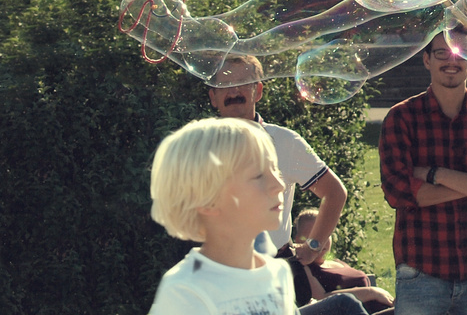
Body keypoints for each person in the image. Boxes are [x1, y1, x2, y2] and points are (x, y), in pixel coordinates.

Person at [379, 33, 467, 315]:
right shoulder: (401, 118)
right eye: (441, 53)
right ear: (426, 60)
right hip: (420, 272)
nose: (451, 61)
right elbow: (399, 193)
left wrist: (435, 174)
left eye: (459, 53)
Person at [147, 116, 296, 315]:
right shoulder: (185, 291)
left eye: (275, 170)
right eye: (258, 175)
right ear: (208, 201)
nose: (280, 185)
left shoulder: (279, 274)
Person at [208, 53, 349, 258]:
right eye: (226, 84)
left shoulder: (285, 142)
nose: (234, 92)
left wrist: (313, 246)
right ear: (213, 97)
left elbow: (335, 192)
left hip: (273, 272)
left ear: (258, 91)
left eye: (243, 83)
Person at [279, 208, 395, 312]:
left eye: (324, 234)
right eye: (313, 236)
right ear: (298, 240)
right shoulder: (303, 266)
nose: (321, 241)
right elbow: (321, 299)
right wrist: (371, 292)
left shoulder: (336, 262)